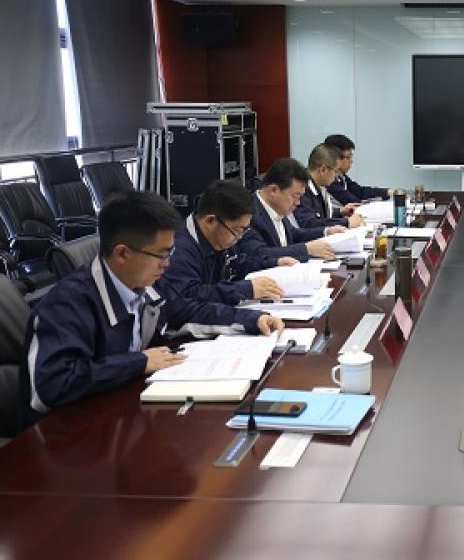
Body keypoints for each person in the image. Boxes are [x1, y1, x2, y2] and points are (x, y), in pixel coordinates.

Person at [19, 191, 283, 429]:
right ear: (122, 254)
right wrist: (139, 362)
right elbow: (52, 385)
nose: (167, 264)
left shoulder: (145, 284)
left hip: (123, 413)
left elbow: (185, 311)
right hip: (66, 436)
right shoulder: (67, 305)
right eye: (161, 255)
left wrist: (250, 319)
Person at [162, 179, 299, 305]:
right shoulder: (178, 250)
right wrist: (245, 289)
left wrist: (274, 262)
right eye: (237, 231)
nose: (239, 237)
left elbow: (238, 263)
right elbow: (190, 297)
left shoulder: (221, 238)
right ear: (211, 221)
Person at [241, 158, 343, 262]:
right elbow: (258, 253)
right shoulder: (248, 213)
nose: (298, 203)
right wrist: (306, 249)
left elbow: (293, 234)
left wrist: (327, 231)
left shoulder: (275, 208)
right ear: (273, 190)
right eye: (295, 196)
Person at [294, 144, 364, 230]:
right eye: (336, 171)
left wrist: (340, 212)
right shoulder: (302, 189)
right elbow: (309, 223)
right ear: (323, 170)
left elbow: (318, 214)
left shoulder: (319, 185)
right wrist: (346, 222)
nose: (337, 176)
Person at [324, 134, 395, 204]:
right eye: (348, 157)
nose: (351, 161)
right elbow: (352, 201)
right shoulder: (329, 180)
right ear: (336, 158)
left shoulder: (340, 176)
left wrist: (387, 192)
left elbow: (359, 192)